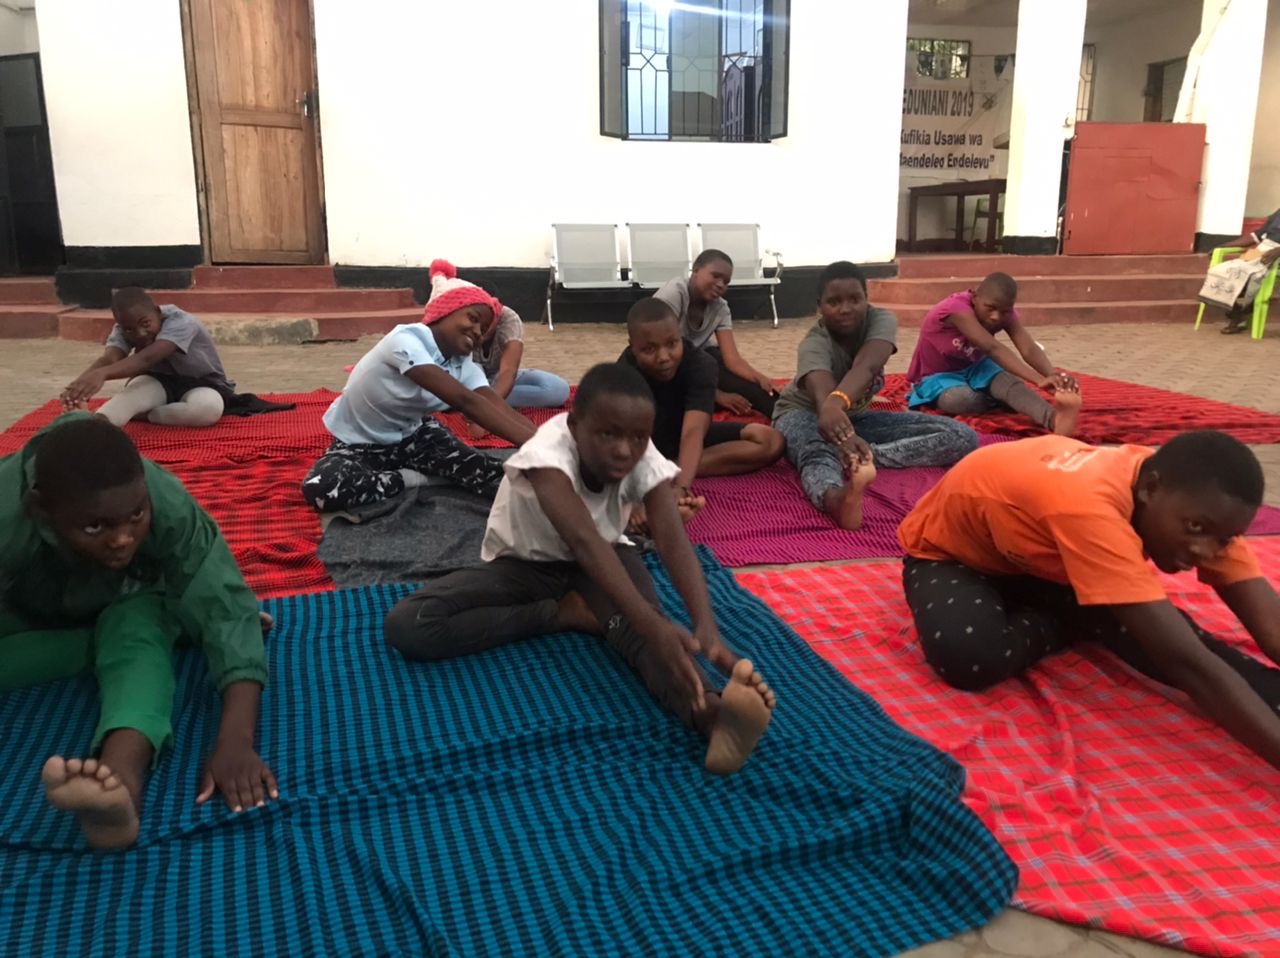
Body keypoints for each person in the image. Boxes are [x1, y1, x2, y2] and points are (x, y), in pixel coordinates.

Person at [383, 362, 777, 776]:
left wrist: (705, 627)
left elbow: (671, 537)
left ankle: (711, 716)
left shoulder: (641, 452)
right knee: (409, 624)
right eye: (608, 434)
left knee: (649, 638)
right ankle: (563, 614)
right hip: (526, 566)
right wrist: (646, 621)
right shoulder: (547, 454)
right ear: (574, 425)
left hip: (605, 558)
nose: (625, 450)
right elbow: (582, 540)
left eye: (637, 437)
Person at [898, 430, 1280, 772]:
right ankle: (1069, 617)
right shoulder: (1088, 506)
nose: (1205, 549)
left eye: (1225, 539)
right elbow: (1190, 667)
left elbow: (1271, 626)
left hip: (1047, 564)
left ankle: (1086, 606)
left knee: (1178, 639)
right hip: (953, 557)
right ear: (1149, 488)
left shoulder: (1204, 509)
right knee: (970, 655)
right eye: (1195, 529)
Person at [1, 414, 275, 849]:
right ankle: (176, 624)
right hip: (23, 621)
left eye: (136, 516)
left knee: (137, 630)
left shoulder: (161, 497)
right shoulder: (6, 512)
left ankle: (121, 786)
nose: (123, 539)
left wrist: (236, 741)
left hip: (127, 603)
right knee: (144, 632)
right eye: (96, 527)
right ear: (40, 510)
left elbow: (227, 607)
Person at [302, 260, 536, 513]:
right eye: (473, 318)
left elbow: (493, 403)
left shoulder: (463, 363)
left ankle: (437, 471)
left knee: (492, 475)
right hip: (357, 443)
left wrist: (544, 442)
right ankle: (412, 479)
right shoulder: (405, 340)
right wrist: (536, 445)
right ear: (446, 311)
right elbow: (466, 401)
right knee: (322, 489)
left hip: (416, 438)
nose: (477, 331)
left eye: (483, 329)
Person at [772, 260, 979, 531]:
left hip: (853, 418)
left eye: (854, 299)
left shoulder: (880, 320)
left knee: (963, 437)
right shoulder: (814, 344)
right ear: (819, 306)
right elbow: (823, 398)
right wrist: (833, 411)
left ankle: (863, 457)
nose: (846, 309)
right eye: (834, 302)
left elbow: (867, 366)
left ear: (866, 299)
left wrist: (842, 419)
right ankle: (835, 498)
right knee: (816, 451)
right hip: (803, 414)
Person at [619, 297, 785, 529]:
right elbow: (625, 442)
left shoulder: (701, 364)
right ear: (632, 347)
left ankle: (670, 468)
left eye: (672, 344)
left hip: (685, 434)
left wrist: (681, 487)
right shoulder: (623, 374)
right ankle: (660, 473)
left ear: (680, 335)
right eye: (649, 349)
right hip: (644, 446)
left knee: (771, 440)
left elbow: (694, 431)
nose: (664, 357)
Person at [61, 288, 291, 427]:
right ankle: (91, 427)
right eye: (129, 329)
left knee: (209, 410)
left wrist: (101, 375)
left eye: (145, 324)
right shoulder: (124, 328)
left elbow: (147, 359)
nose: (139, 334)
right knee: (119, 407)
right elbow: (111, 358)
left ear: (157, 312)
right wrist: (79, 385)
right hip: (157, 381)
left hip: (203, 384)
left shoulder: (181, 321)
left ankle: (149, 415)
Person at [904, 272, 1082, 435]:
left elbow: (1027, 347)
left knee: (1009, 384)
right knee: (960, 400)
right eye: (990, 308)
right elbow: (992, 348)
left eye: (1004, 311)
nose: (996, 317)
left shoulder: (1005, 313)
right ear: (974, 297)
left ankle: (1054, 420)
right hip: (938, 376)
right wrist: (1038, 380)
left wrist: (1051, 375)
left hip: (977, 367)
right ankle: (1001, 398)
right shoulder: (955, 310)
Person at [654, 249, 778, 418]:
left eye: (726, 281)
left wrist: (758, 377)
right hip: (667, 366)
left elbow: (732, 359)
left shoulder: (721, 308)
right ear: (695, 271)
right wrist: (718, 395)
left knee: (751, 386)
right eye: (715, 276)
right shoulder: (673, 295)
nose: (721, 284)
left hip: (699, 360)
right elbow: (663, 356)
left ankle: (784, 417)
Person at [1199, 208, 1280, 334]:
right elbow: (1257, 236)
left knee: (1251, 275)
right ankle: (1238, 312)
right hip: (1261, 252)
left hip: (1276, 259)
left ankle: (1243, 311)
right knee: (1220, 271)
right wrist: (1224, 245)